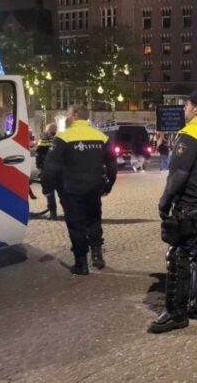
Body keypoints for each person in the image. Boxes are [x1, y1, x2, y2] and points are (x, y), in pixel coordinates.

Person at [149, 90, 197, 334]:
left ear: (196, 110)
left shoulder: (190, 134)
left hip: (187, 206)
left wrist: (165, 201)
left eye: (186, 106)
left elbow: (179, 174)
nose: (184, 110)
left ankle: (176, 313)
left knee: (178, 256)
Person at [42, 105, 117, 275]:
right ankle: (97, 256)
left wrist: (47, 187)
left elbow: (50, 166)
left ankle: (81, 263)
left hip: (71, 189)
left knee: (76, 225)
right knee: (94, 220)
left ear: (74, 116)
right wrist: (108, 185)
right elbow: (112, 164)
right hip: (94, 188)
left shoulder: (63, 137)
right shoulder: (101, 137)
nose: (67, 117)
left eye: (68, 114)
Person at [36, 123, 58, 220]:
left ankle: (53, 213)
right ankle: (69, 212)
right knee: (63, 192)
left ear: (47, 130)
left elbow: (39, 154)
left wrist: (39, 166)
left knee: (49, 191)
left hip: (48, 169)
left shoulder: (43, 140)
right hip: (60, 170)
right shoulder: (60, 140)